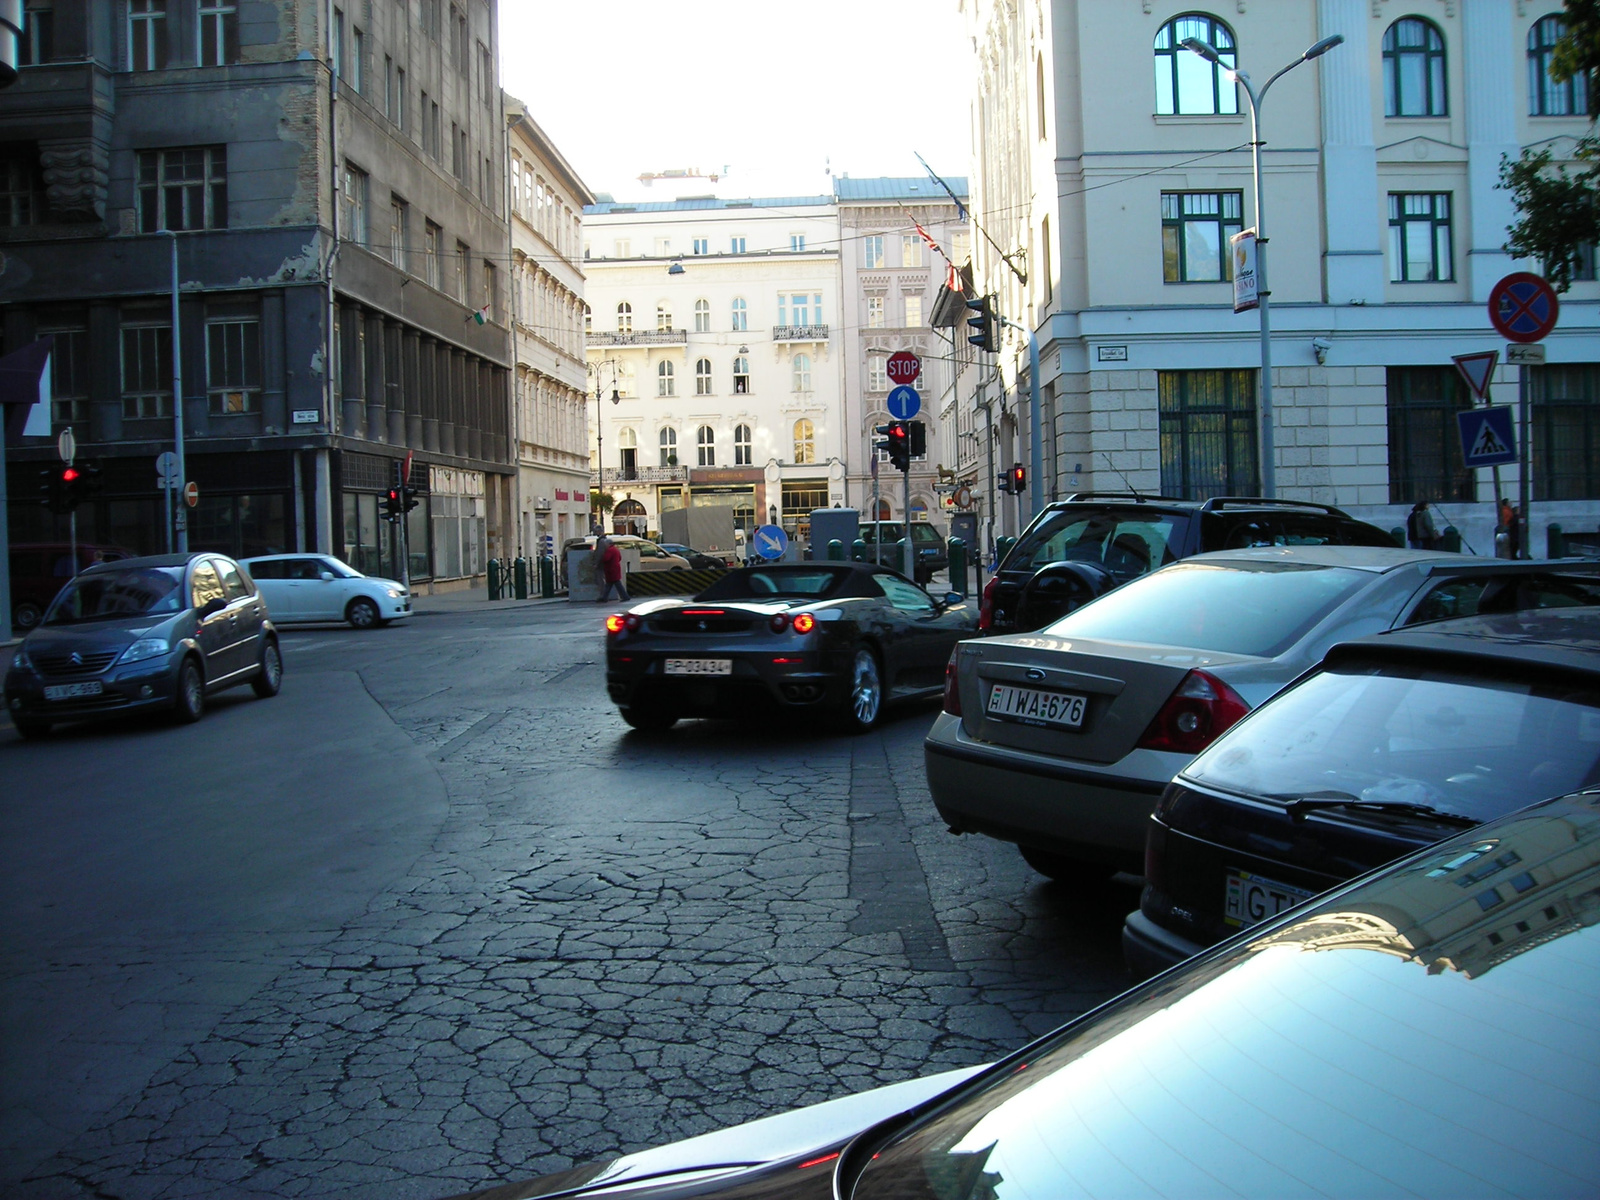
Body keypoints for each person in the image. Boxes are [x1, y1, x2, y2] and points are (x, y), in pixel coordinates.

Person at [595, 534, 628, 603]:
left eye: (605, 544)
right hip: (615, 568)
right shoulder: (615, 549)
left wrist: (601, 558)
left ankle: (625, 596)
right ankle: (605, 597)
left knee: (614, 584)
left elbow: (606, 559)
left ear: (608, 544)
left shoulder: (610, 550)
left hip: (611, 569)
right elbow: (619, 558)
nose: (605, 546)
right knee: (611, 584)